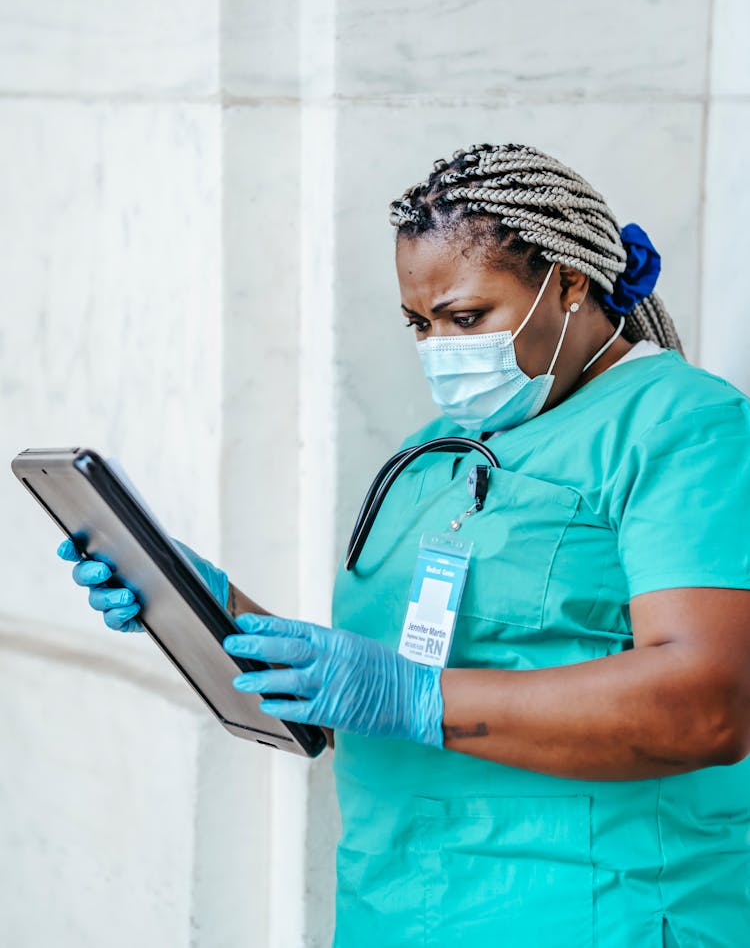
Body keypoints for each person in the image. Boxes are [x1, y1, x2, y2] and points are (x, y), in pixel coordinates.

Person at [60, 143, 750, 948]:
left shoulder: (682, 425)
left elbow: (709, 703)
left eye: (467, 317)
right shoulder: (440, 448)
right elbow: (379, 678)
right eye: (419, 324)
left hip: (591, 911)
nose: (440, 349)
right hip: (398, 910)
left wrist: (421, 699)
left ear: (569, 283)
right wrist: (217, 615)